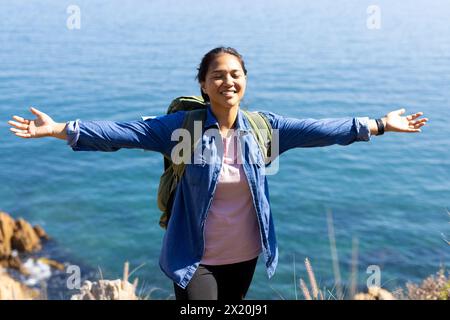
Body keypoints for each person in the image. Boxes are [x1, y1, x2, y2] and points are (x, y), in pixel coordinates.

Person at [8, 47, 428, 300]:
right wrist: (61, 130)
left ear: (245, 82)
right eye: (218, 75)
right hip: (195, 258)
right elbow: (122, 133)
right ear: (204, 85)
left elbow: (321, 129)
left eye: (236, 74)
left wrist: (378, 123)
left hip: (244, 254)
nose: (228, 80)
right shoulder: (183, 129)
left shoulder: (265, 128)